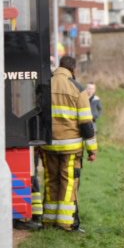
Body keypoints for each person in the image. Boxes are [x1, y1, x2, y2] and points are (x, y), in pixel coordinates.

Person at [40, 54, 96, 232]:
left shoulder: (45, 85)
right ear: (73, 69)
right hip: (70, 147)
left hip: (48, 144)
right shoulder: (78, 88)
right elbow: (86, 123)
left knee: (50, 180)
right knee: (68, 181)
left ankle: (48, 220)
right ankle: (65, 222)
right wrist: (92, 150)